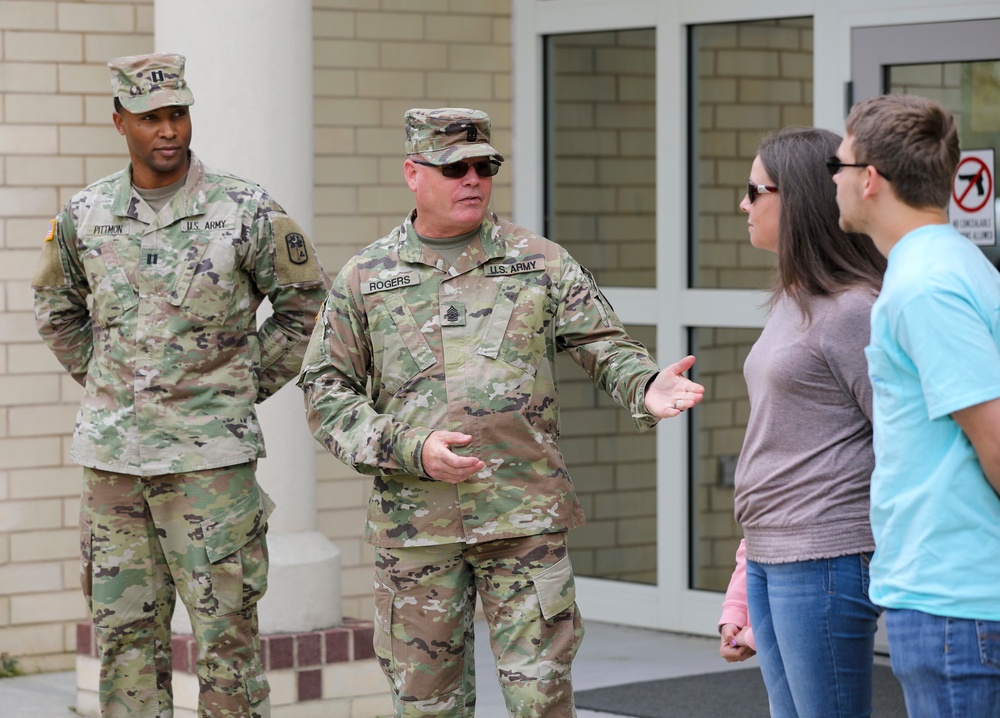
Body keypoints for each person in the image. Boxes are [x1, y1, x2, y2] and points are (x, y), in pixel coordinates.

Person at [298, 107, 704, 718]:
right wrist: (411, 448)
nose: (473, 180)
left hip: (524, 520)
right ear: (413, 173)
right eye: (454, 167)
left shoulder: (538, 261)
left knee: (540, 700)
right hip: (417, 530)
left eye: (484, 167)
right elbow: (326, 392)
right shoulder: (365, 277)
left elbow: (602, 344)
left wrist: (644, 384)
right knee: (428, 706)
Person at [31, 53, 328, 718]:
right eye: (150, 118)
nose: (168, 130)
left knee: (227, 644)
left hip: (209, 467)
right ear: (120, 123)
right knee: (124, 643)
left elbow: (307, 308)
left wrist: (237, 384)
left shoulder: (244, 209)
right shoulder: (84, 215)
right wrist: (116, 385)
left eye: (178, 114)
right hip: (113, 467)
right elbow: (56, 310)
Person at [832, 94, 1000, 717]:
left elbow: (995, 439)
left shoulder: (926, 285)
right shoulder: (947, 266)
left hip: (954, 600)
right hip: (950, 593)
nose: (835, 180)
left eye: (840, 166)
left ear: (870, 180)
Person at [716, 126, 887, 717]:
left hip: (825, 557)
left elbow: (900, 436)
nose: (743, 203)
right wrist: (742, 583)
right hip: (772, 552)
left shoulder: (853, 310)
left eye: (754, 189)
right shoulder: (795, 300)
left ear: (799, 199)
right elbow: (781, 445)